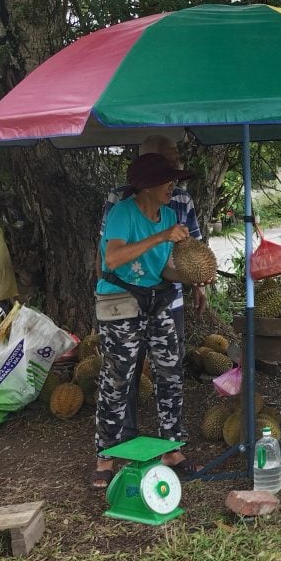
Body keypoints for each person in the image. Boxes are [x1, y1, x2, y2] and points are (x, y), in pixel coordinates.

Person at [92, 153, 204, 489]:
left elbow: (164, 269)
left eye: (174, 180)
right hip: (120, 299)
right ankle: (105, 455)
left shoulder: (168, 214)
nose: (173, 186)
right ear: (146, 186)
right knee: (118, 377)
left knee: (170, 370)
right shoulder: (123, 213)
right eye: (167, 180)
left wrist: (192, 275)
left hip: (158, 299)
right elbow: (112, 258)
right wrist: (160, 236)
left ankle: (171, 447)